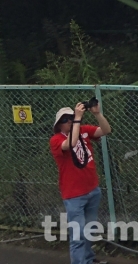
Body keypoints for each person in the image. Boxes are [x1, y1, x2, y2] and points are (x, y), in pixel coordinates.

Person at [50, 101, 112, 264]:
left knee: (88, 230)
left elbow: (106, 130)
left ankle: (89, 259)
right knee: (78, 235)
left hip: (92, 189)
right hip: (74, 195)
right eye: (65, 119)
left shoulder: (84, 131)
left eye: (71, 117)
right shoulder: (56, 140)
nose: (69, 121)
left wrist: (97, 114)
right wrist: (77, 118)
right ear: (59, 125)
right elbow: (70, 143)